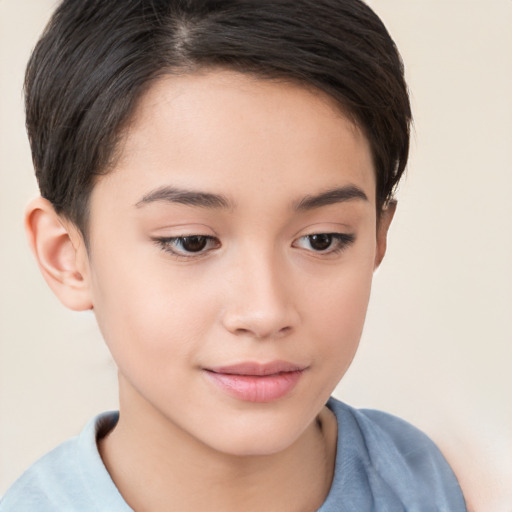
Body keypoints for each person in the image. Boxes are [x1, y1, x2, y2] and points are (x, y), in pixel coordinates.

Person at [0, 0, 467, 510]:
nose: (265, 312)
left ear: (378, 237)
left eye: (322, 239)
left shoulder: (445, 483)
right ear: (67, 256)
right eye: (191, 242)